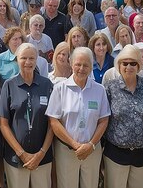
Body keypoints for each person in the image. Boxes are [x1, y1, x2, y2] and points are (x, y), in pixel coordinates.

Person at [46, 47, 110, 188]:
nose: (81, 68)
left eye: (86, 65)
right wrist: (75, 145)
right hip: (66, 150)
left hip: (92, 149)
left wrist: (90, 145)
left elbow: (103, 120)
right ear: (71, 63)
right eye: (78, 64)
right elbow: (54, 121)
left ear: (91, 66)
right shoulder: (60, 88)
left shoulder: (99, 90)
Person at [0, 43, 54, 188]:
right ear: (17, 60)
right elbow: (3, 124)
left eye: (31, 58)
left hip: (42, 157)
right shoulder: (9, 85)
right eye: (24, 58)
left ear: (36, 60)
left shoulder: (47, 85)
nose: (28, 62)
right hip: (15, 157)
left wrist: (41, 153)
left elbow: (52, 123)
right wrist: (21, 153)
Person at [104, 45, 143, 188]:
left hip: (142, 154)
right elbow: (104, 119)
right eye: (124, 63)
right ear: (119, 65)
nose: (128, 66)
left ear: (138, 65)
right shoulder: (110, 87)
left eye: (133, 63)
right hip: (116, 153)